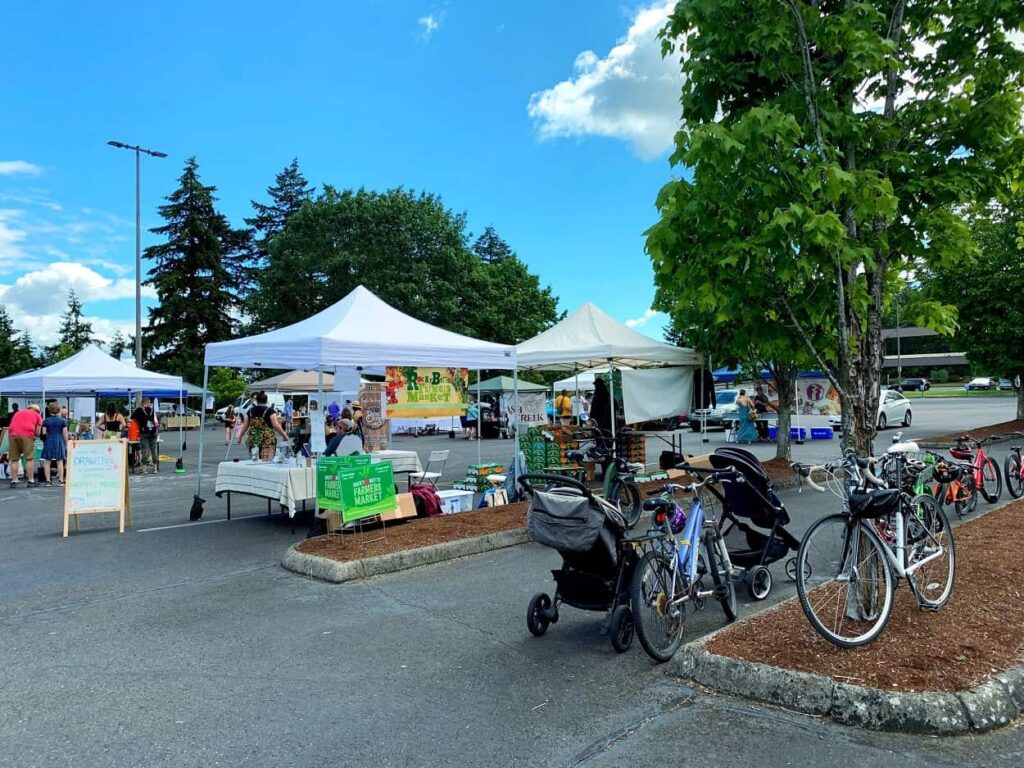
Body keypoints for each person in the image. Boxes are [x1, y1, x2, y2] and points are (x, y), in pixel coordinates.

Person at [238, 391, 291, 460]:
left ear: (257, 400)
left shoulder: (250, 411)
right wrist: (284, 435)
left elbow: (245, 425)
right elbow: (276, 425)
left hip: (253, 439)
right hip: (266, 439)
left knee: (254, 459)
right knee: (267, 460)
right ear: (266, 400)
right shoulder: (269, 410)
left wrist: (240, 437)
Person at [8, 403, 42, 488]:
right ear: (38, 411)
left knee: (14, 459)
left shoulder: (18, 413)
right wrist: (35, 436)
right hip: (27, 435)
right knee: (29, 458)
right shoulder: (37, 415)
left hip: (12, 435)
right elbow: (38, 432)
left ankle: (14, 481)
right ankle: (31, 480)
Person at [41, 402, 68, 486]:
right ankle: (61, 481)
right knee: (59, 461)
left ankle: (48, 481)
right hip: (59, 440)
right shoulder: (63, 421)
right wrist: (66, 443)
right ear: (59, 410)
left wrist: (45, 441)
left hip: (49, 440)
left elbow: (44, 432)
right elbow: (65, 433)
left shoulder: (46, 420)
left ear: (49, 410)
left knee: (47, 461)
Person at [131, 398, 160, 472]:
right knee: (154, 450)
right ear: (149, 403)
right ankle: (155, 468)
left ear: (142, 403)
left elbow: (132, 418)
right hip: (153, 432)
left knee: (145, 450)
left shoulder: (139, 410)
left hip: (144, 432)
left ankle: (144, 468)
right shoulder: (152, 410)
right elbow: (155, 420)